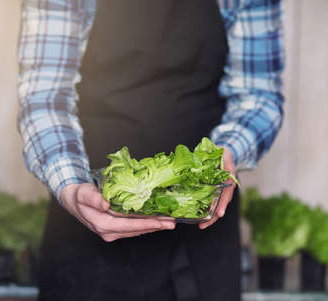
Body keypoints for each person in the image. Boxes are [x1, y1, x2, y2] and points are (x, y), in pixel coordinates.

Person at [17, 0, 284, 300]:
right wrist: (70, 184)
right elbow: (45, 98)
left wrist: (224, 154)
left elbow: (259, 96)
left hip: (201, 232)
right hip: (88, 222)